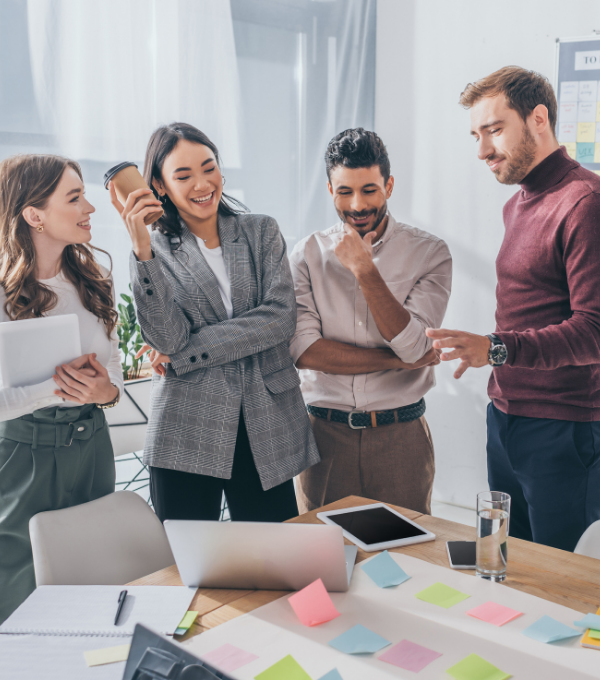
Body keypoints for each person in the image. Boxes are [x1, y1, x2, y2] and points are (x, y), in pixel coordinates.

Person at [427, 66, 600, 552]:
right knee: (507, 562)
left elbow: (593, 330)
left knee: (562, 581)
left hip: (563, 428)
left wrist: (496, 349)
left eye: (495, 130)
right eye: (476, 135)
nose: (482, 150)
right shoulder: (519, 202)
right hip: (504, 416)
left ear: (538, 118)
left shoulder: (584, 202)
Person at [110, 122, 319, 523]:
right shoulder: (152, 252)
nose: (202, 183)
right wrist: (141, 249)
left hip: (265, 421)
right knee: (191, 568)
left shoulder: (260, 231)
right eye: (183, 175)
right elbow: (166, 337)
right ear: (158, 184)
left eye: (209, 168)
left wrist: (185, 354)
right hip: (186, 425)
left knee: (274, 562)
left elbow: (278, 319)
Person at [289, 128, 452, 514]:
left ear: (389, 185)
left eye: (369, 190)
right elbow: (306, 351)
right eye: (345, 191)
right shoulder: (306, 254)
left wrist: (365, 271)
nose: (358, 204)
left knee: (408, 563)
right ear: (330, 189)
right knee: (323, 564)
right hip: (324, 438)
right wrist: (396, 361)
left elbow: (415, 345)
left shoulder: (430, 253)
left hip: (401, 439)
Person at [0, 154, 123, 622]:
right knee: (19, 594)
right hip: (20, 458)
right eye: (74, 198)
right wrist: (56, 390)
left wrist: (103, 393)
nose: (89, 207)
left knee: (97, 585)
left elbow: (109, 379)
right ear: (34, 215)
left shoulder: (94, 281)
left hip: (92, 448)